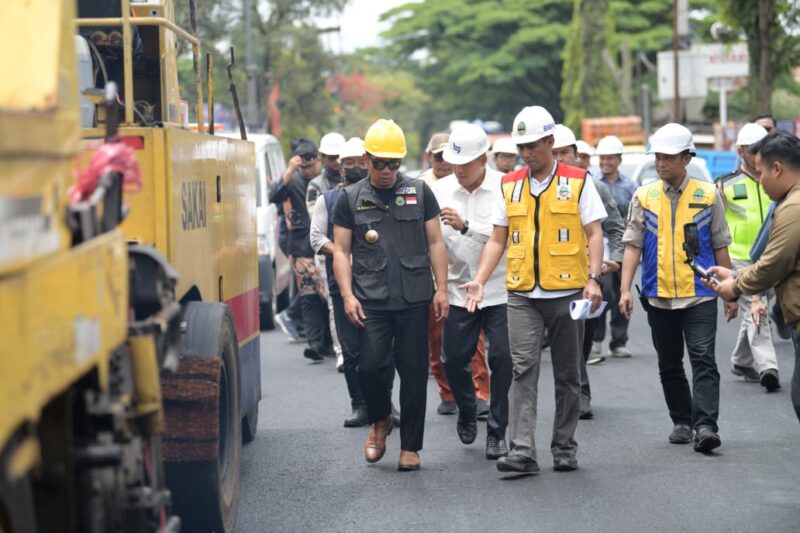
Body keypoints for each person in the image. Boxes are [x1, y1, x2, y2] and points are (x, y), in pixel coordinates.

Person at [462, 106, 606, 475]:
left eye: (533, 145)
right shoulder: (510, 184)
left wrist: (592, 279)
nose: (527, 153)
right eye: (521, 146)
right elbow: (498, 238)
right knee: (522, 370)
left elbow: (594, 232)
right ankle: (523, 450)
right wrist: (480, 278)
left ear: (550, 142)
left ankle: (564, 446)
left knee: (567, 374)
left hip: (567, 293)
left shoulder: (577, 180)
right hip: (522, 294)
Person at [333, 119, 449, 472]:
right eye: (380, 163)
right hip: (371, 299)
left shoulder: (419, 191)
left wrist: (442, 288)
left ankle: (410, 448)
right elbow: (340, 251)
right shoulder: (349, 199)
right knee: (369, 367)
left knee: (414, 373)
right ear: (366, 159)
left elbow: (435, 242)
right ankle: (381, 420)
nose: (387, 171)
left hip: (414, 298)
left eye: (394, 163)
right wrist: (347, 295)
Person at [619, 123, 738, 454]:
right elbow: (632, 244)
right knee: (669, 363)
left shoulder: (708, 194)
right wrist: (625, 288)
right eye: (658, 157)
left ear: (686, 158)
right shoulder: (644, 196)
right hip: (658, 295)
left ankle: (705, 426)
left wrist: (730, 289)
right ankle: (682, 420)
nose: (661, 164)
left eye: (669, 157)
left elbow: (720, 243)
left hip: (700, 292)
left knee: (703, 359)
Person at [704, 130, 800, 423]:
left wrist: (735, 285)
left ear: (777, 168)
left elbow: (774, 264)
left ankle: (758, 364)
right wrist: (736, 273)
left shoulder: (793, 207)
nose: (759, 181)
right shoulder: (786, 201)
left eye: (761, 173)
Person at [432, 124, 513, 460]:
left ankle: (497, 432)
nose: (459, 170)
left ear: (484, 159)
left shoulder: (505, 189)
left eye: (466, 163)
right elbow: (435, 243)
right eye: (454, 163)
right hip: (457, 290)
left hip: (500, 288)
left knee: (502, 360)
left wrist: (466, 226)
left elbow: (501, 238)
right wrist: (438, 287)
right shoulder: (440, 192)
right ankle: (467, 409)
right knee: (453, 359)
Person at [552, 124, 625, 418]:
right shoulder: (531, 186)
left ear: (576, 154)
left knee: (582, 337)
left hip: (588, 278)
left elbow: (615, 226)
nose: (559, 158)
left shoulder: (592, 185)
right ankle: (575, 391)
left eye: (564, 153)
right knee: (563, 339)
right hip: (547, 279)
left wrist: (616, 258)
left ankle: (579, 388)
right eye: (554, 153)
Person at [420, 132, 490, 416]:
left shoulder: (479, 183)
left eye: (450, 158)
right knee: (439, 341)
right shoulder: (422, 186)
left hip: (473, 276)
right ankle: (448, 392)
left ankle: (480, 394)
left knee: (476, 343)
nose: (446, 164)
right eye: (440, 158)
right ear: (430, 157)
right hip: (436, 276)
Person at [715, 123, 780, 391]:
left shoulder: (775, 182)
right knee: (757, 308)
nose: (756, 156)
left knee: (755, 308)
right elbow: (714, 227)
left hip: (773, 256)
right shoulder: (725, 184)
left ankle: (741, 359)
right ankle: (768, 367)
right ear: (740, 151)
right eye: (751, 150)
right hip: (738, 259)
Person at [310, 137, 370, 427]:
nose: (356, 167)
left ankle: (384, 404)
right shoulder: (328, 199)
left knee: (381, 350)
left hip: (378, 285)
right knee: (350, 349)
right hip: (341, 285)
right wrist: (343, 252)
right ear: (340, 167)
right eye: (350, 163)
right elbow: (316, 238)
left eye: (361, 162)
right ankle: (359, 405)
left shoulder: (382, 196)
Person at [269, 136, 330, 362]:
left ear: (319, 161)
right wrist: (288, 172)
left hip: (326, 246)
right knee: (309, 297)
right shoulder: (293, 181)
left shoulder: (327, 181)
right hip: (301, 248)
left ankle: (328, 342)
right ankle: (314, 344)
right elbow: (272, 197)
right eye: (301, 166)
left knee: (328, 296)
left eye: (310, 165)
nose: (305, 170)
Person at [594, 135, 637, 359]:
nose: (605, 162)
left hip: (625, 247)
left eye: (610, 158)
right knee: (603, 291)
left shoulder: (630, 187)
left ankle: (619, 341)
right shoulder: (593, 183)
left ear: (619, 160)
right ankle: (596, 338)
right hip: (601, 246)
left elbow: (637, 219)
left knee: (623, 290)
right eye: (602, 158)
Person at [307, 132, 347, 369]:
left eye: (339, 158)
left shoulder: (359, 181)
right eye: (331, 158)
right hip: (328, 251)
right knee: (336, 302)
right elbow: (318, 226)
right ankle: (341, 351)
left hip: (359, 252)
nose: (336, 162)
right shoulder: (316, 187)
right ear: (322, 158)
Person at [751, 113, 792, 339]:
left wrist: (736, 285)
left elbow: (768, 258)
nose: (759, 179)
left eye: (768, 130)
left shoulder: (787, 204)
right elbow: (760, 254)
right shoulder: (781, 201)